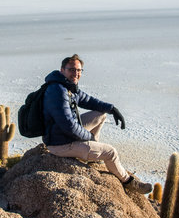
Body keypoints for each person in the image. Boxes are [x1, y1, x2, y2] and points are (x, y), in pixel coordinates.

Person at [42, 54, 153, 194]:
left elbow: (88, 100)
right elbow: (68, 125)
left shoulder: (67, 86)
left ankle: (93, 154)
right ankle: (129, 182)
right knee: (111, 152)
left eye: (79, 70)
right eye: (71, 70)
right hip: (60, 143)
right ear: (62, 70)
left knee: (101, 115)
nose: (76, 73)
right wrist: (87, 136)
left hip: (63, 134)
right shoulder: (58, 91)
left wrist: (112, 109)